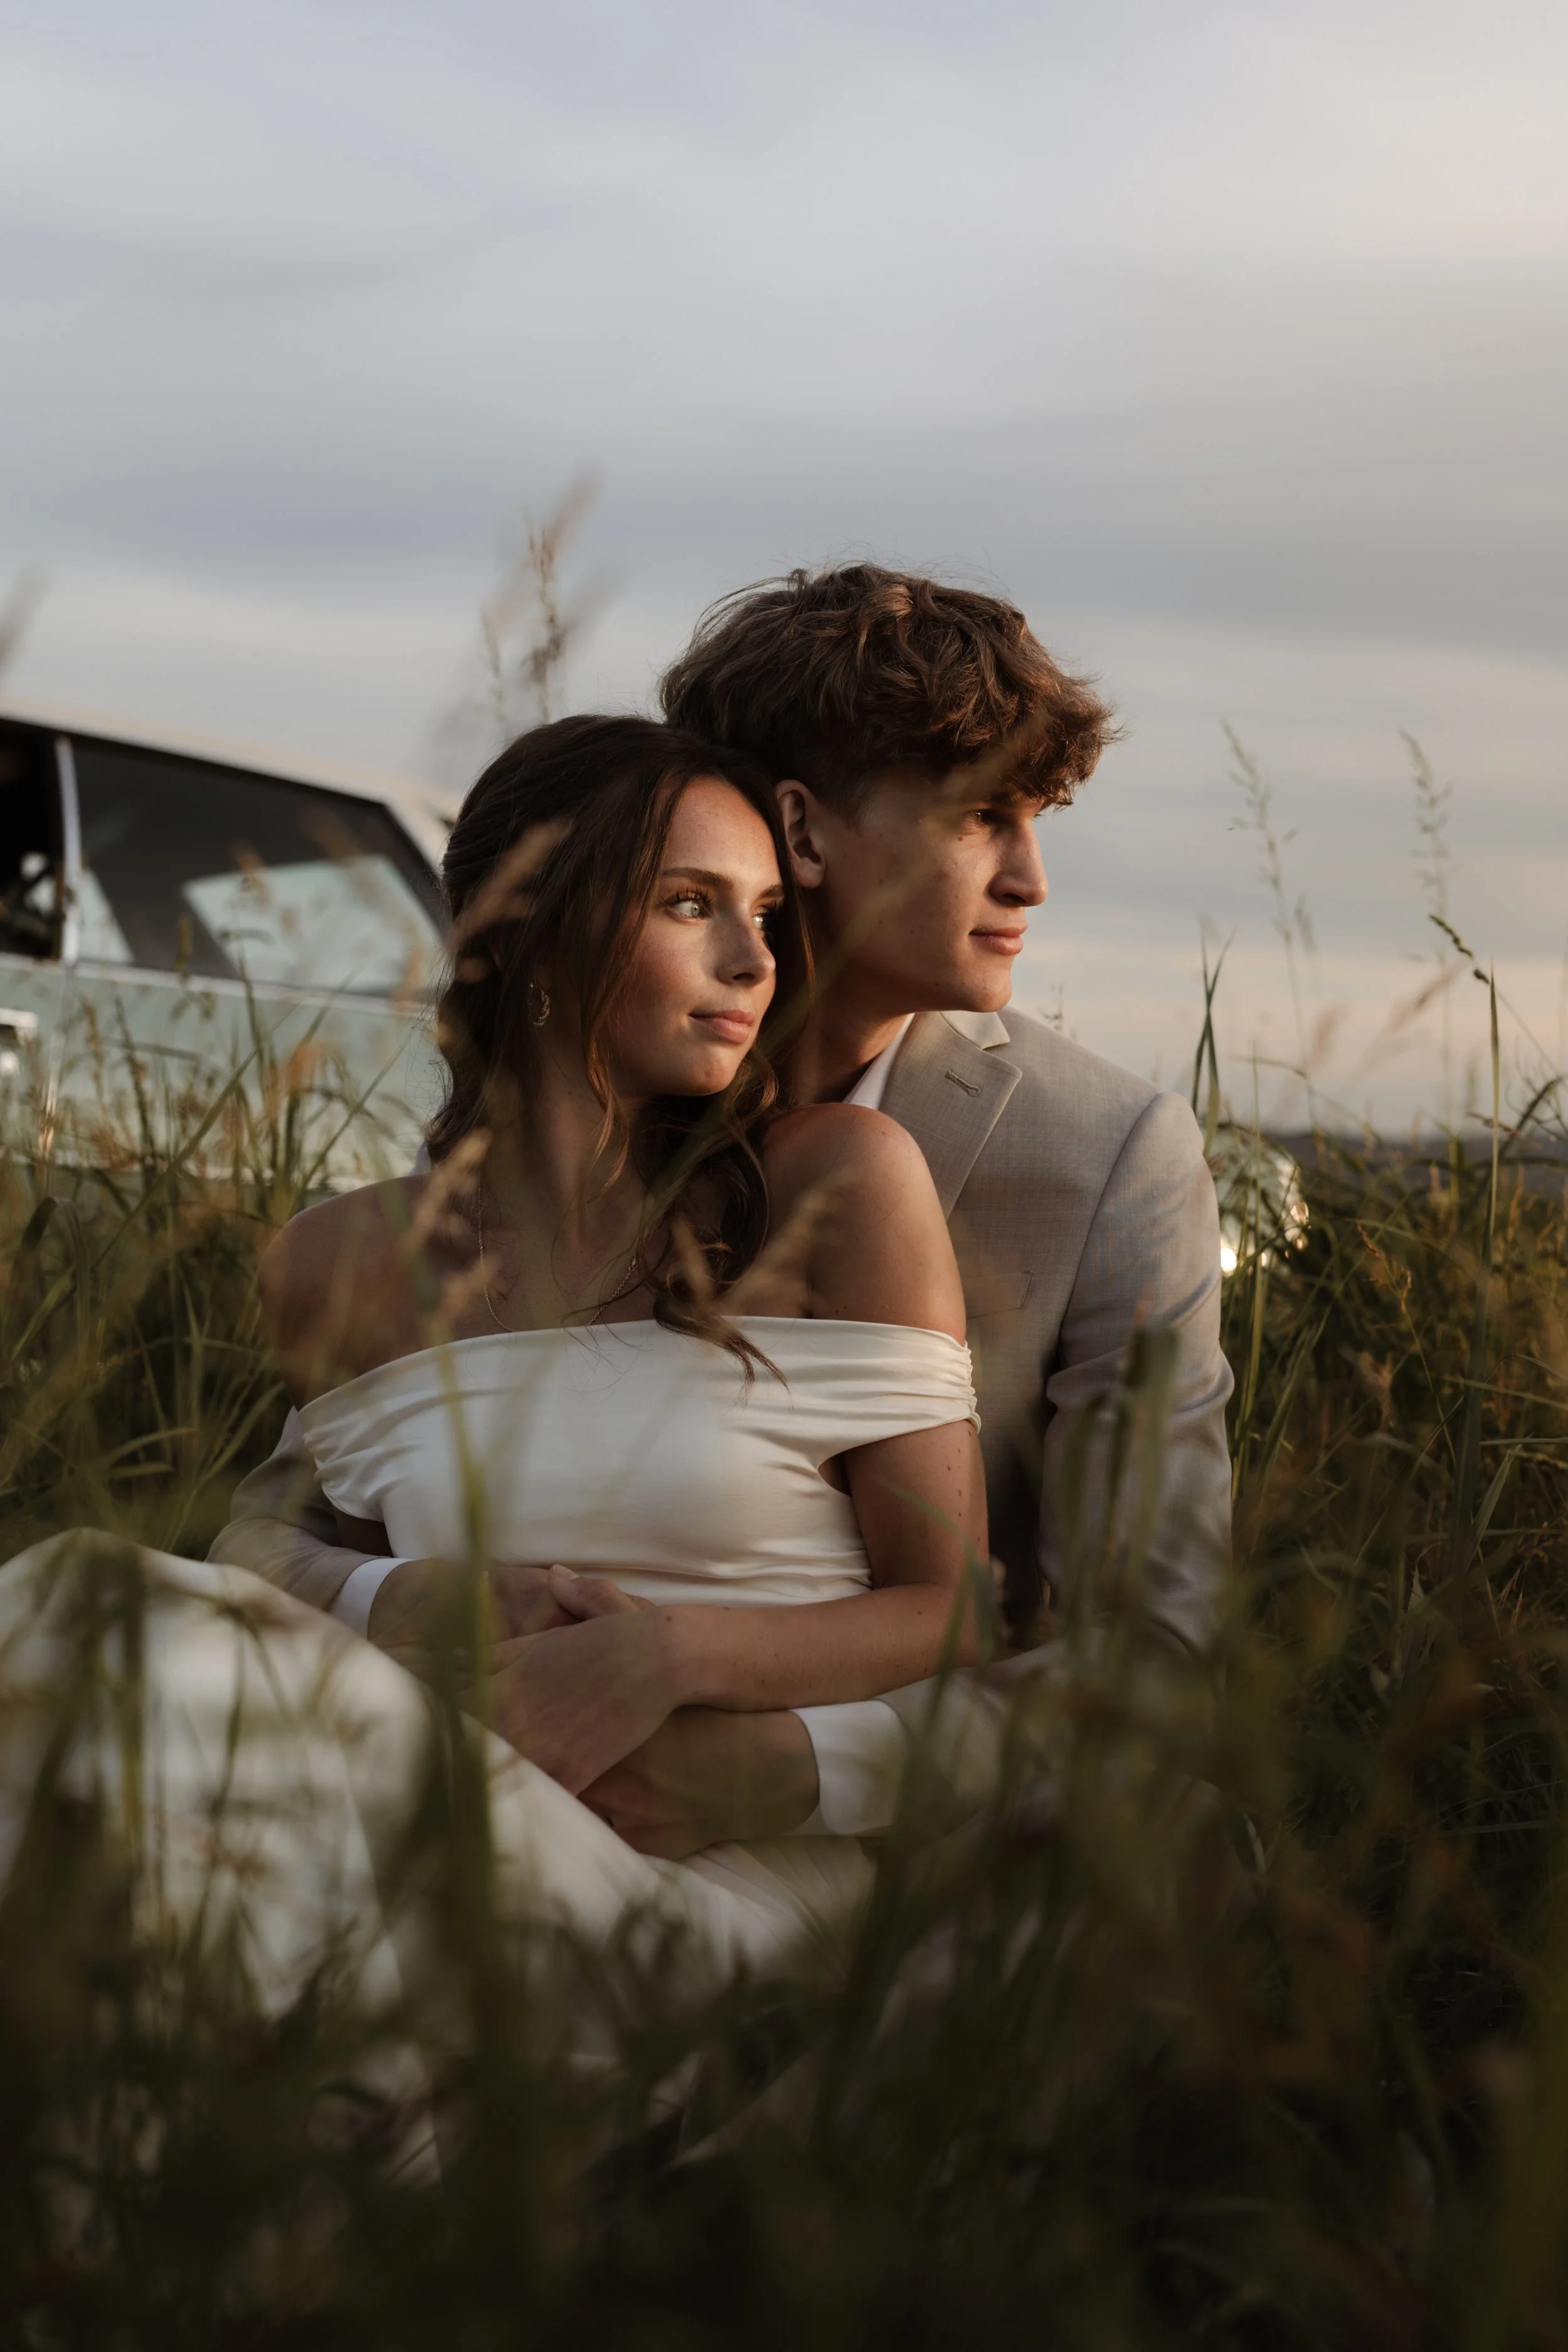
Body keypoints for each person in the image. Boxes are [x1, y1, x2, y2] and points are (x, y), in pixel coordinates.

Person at [213, 564, 1232, 1857]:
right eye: (980, 815)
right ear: (796, 829)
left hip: (923, 1825)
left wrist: (786, 1766)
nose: (1030, 879)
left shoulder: (1102, 1154)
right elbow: (285, 1528)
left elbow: (1154, 1652)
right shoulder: (507, 1165)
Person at [0, 713, 993, 1990]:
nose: (754, 959)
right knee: (85, 1606)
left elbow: (959, 1609)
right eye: (692, 904)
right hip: (437, 1765)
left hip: (710, 1835)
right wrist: (409, 1597)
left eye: (762, 911)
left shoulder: (835, 1184)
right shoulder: (339, 1260)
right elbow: (263, 1544)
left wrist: (666, 1654)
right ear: (529, 929)